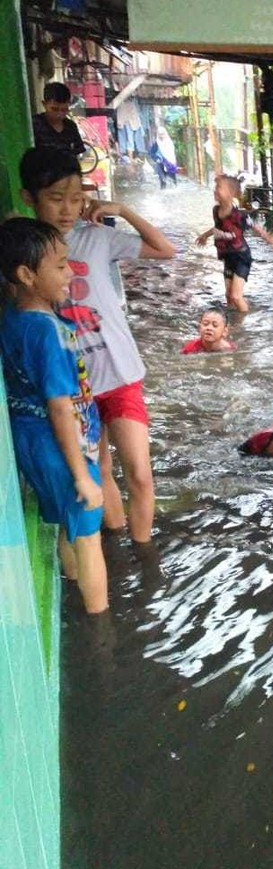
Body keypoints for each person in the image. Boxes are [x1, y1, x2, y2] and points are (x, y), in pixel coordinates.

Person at [19, 146, 177, 566]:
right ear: (28, 198)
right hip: (73, 385)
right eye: (55, 198)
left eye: (76, 198)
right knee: (100, 471)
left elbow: (165, 250)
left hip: (120, 374)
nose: (68, 209)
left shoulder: (97, 238)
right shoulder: (24, 253)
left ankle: (143, 558)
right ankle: (117, 547)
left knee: (140, 474)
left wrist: (121, 209)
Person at [0, 218, 107, 614]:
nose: (70, 272)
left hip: (31, 438)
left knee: (70, 524)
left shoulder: (14, 316)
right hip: (61, 446)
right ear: (27, 274)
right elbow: (60, 406)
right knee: (89, 538)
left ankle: (74, 587)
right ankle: (101, 629)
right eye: (60, 266)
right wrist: (81, 474)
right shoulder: (48, 331)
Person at [195, 173, 273, 312]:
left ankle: (242, 326)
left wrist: (269, 239)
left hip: (242, 257)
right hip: (228, 258)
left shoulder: (238, 216)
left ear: (230, 193)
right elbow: (218, 227)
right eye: (215, 187)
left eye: (219, 187)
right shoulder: (216, 211)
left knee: (236, 296)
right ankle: (231, 322)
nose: (215, 190)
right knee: (228, 296)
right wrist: (205, 235)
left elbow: (254, 226)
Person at [32, 82, 86, 158]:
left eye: (64, 110)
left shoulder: (71, 126)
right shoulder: (34, 125)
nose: (59, 114)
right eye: (54, 109)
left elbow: (76, 154)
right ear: (44, 104)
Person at [149, 124, 178, 189]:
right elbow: (152, 153)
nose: (161, 136)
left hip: (170, 163)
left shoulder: (169, 142)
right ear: (158, 135)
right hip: (161, 163)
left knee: (173, 180)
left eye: (163, 134)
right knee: (163, 180)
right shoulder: (157, 143)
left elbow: (172, 154)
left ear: (165, 134)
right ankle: (163, 193)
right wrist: (157, 158)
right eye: (160, 134)